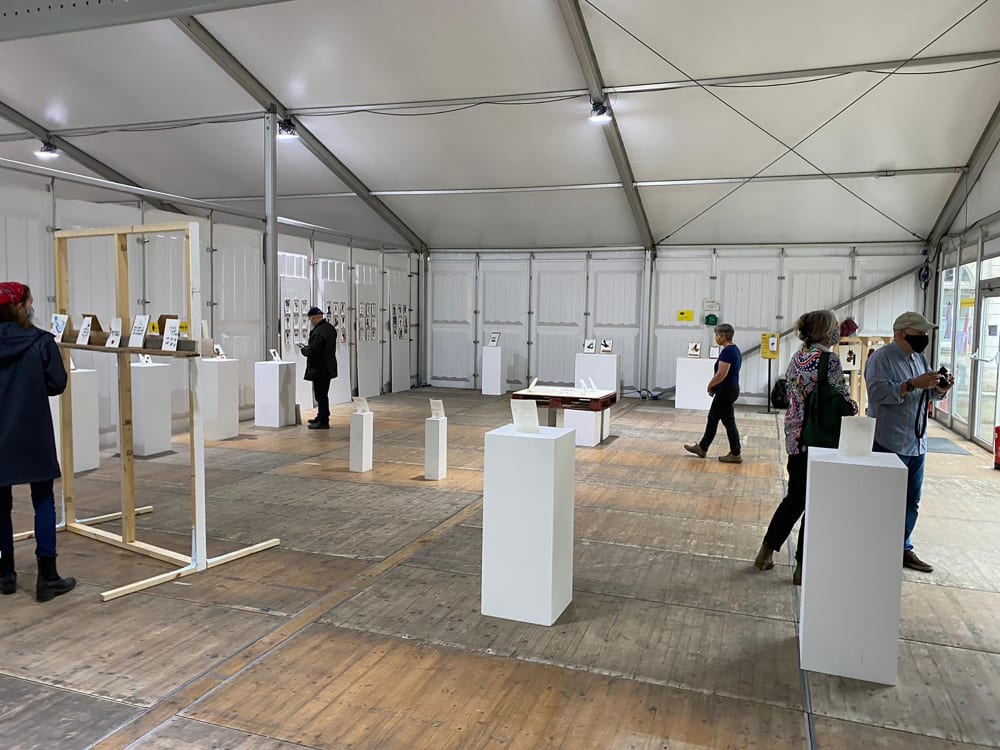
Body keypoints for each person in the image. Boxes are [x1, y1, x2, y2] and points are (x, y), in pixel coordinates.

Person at [755, 310, 855, 584]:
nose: (838, 331)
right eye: (835, 327)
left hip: (795, 438)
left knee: (795, 497)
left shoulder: (797, 357)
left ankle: (766, 551)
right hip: (820, 440)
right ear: (826, 332)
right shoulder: (829, 361)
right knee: (816, 503)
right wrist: (855, 407)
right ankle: (802, 567)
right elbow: (843, 401)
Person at [0, 281, 77, 601]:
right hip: (32, 432)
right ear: (21, 306)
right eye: (29, 301)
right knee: (43, 500)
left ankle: (5, 575)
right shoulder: (41, 342)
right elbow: (57, 383)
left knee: (0, 507)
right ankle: (47, 577)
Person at [865, 311, 952, 573]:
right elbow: (877, 393)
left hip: (916, 442)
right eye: (919, 333)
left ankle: (902, 548)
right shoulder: (882, 358)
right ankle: (877, 548)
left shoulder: (919, 358)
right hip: (889, 441)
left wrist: (940, 389)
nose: (924, 337)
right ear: (902, 333)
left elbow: (926, 396)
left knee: (911, 500)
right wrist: (912, 384)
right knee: (885, 500)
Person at [684, 323, 743, 463]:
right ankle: (702, 448)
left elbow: (721, 374)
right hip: (728, 389)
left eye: (717, 335)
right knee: (712, 419)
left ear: (723, 336)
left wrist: (710, 385)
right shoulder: (734, 350)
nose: (716, 337)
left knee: (728, 422)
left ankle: (735, 453)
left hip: (726, 391)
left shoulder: (728, 351)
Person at [299, 305, 338, 430]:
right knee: (323, 394)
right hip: (328, 366)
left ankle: (324, 420)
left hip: (320, 368)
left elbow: (314, 350)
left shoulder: (318, 332)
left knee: (320, 395)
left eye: (311, 320)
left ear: (315, 318)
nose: (311, 322)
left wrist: (304, 350)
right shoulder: (330, 328)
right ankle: (321, 415)